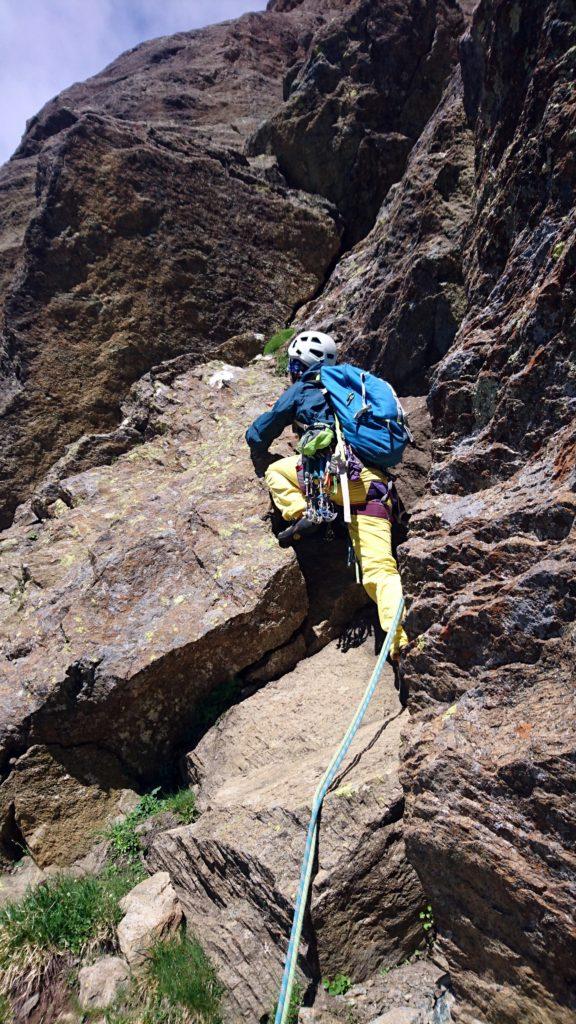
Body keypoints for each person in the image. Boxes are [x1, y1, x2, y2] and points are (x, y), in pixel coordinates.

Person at [245, 330, 408, 661]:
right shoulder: (349, 393)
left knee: (276, 472)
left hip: (330, 480)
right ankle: (400, 642)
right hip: (371, 485)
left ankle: (307, 513)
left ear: (297, 365)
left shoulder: (303, 386)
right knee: (380, 571)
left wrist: (255, 440)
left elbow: (261, 431)